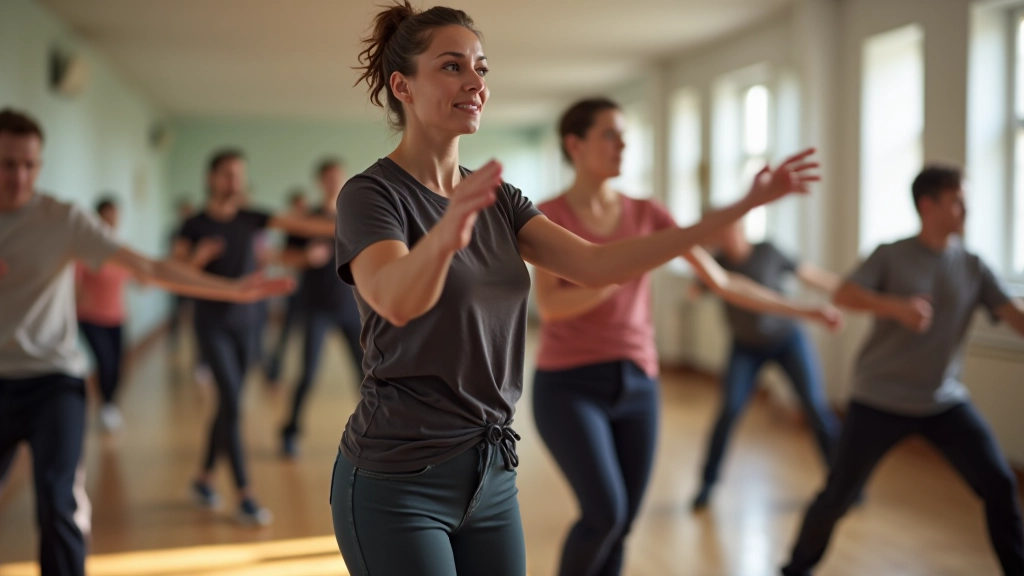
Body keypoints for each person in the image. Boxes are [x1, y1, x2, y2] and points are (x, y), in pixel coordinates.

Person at [328, 4, 819, 575]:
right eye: (452, 66)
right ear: (402, 85)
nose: (475, 83)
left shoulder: (501, 199)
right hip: (396, 479)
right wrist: (446, 234)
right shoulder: (370, 196)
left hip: (489, 470)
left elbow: (596, 264)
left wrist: (740, 208)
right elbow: (394, 298)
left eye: (481, 68)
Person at [532, 97, 841, 576]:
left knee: (625, 524)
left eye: (625, 134)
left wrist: (805, 309)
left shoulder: (648, 213)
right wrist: (612, 273)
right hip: (569, 387)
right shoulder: (546, 215)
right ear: (575, 145)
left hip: (638, 383)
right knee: (604, 515)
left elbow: (723, 280)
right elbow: (551, 306)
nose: (624, 143)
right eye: (610, 134)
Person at [0, 107, 291, 576]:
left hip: (53, 380)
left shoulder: (61, 219)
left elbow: (151, 268)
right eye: (7, 164)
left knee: (58, 502)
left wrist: (231, 287)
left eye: (29, 165)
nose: (19, 176)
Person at [781, 165, 1024, 576]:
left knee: (999, 485)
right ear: (927, 205)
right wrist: (896, 306)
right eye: (957, 201)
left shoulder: (973, 264)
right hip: (879, 398)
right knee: (838, 496)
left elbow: (1014, 316)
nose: (967, 210)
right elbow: (844, 293)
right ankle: (794, 570)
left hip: (943, 401)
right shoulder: (891, 254)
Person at [172, 148, 336, 526]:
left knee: (228, 404)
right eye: (228, 175)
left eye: (239, 175)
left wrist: (361, 221)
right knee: (232, 401)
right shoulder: (194, 225)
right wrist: (198, 256)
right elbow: (174, 272)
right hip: (211, 324)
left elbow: (303, 226)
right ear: (211, 178)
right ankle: (245, 494)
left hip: (250, 324)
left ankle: (202, 479)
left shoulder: (252, 217)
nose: (235, 182)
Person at [689, 219, 843, 510]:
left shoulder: (768, 251)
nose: (728, 237)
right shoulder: (716, 264)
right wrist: (700, 257)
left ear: (743, 229)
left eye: (731, 230)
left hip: (788, 340)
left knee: (815, 405)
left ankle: (843, 482)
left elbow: (807, 274)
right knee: (729, 410)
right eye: (721, 232)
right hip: (745, 348)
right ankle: (707, 484)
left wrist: (847, 291)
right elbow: (695, 291)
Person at [278, 158, 363, 457]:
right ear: (319, 182)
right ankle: (290, 432)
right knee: (308, 374)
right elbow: (285, 257)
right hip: (315, 308)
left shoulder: (356, 216)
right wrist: (305, 258)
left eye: (336, 178)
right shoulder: (304, 218)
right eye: (326, 178)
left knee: (367, 376)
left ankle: (375, 433)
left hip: (352, 307)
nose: (332, 183)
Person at [75, 196, 133, 431]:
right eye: (106, 216)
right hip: (90, 317)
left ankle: (111, 405)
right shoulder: (86, 250)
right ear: (97, 218)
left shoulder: (121, 250)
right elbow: (75, 284)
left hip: (117, 316)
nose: (111, 220)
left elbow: (143, 278)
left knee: (119, 365)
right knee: (105, 362)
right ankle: (106, 406)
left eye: (114, 215)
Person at [265, 188, 314, 383]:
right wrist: (305, 258)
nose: (301, 210)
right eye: (298, 207)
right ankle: (274, 372)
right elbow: (285, 259)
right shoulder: (292, 232)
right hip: (296, 289)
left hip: (315, 292)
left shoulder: (314, 228)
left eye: (304, 206)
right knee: (286, 334)